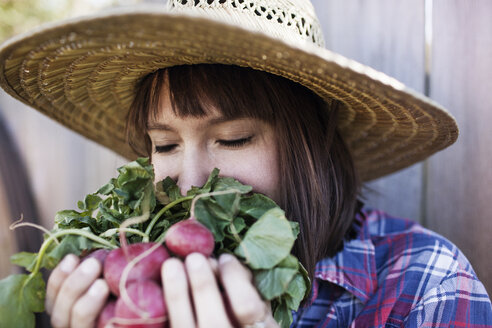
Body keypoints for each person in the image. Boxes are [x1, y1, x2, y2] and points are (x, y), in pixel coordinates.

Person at [0, 1, 491, 327]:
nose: (190, 184)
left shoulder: (424, 286)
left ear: (310, 147)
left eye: (233, 139)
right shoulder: (132, 280)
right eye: (165, 146)